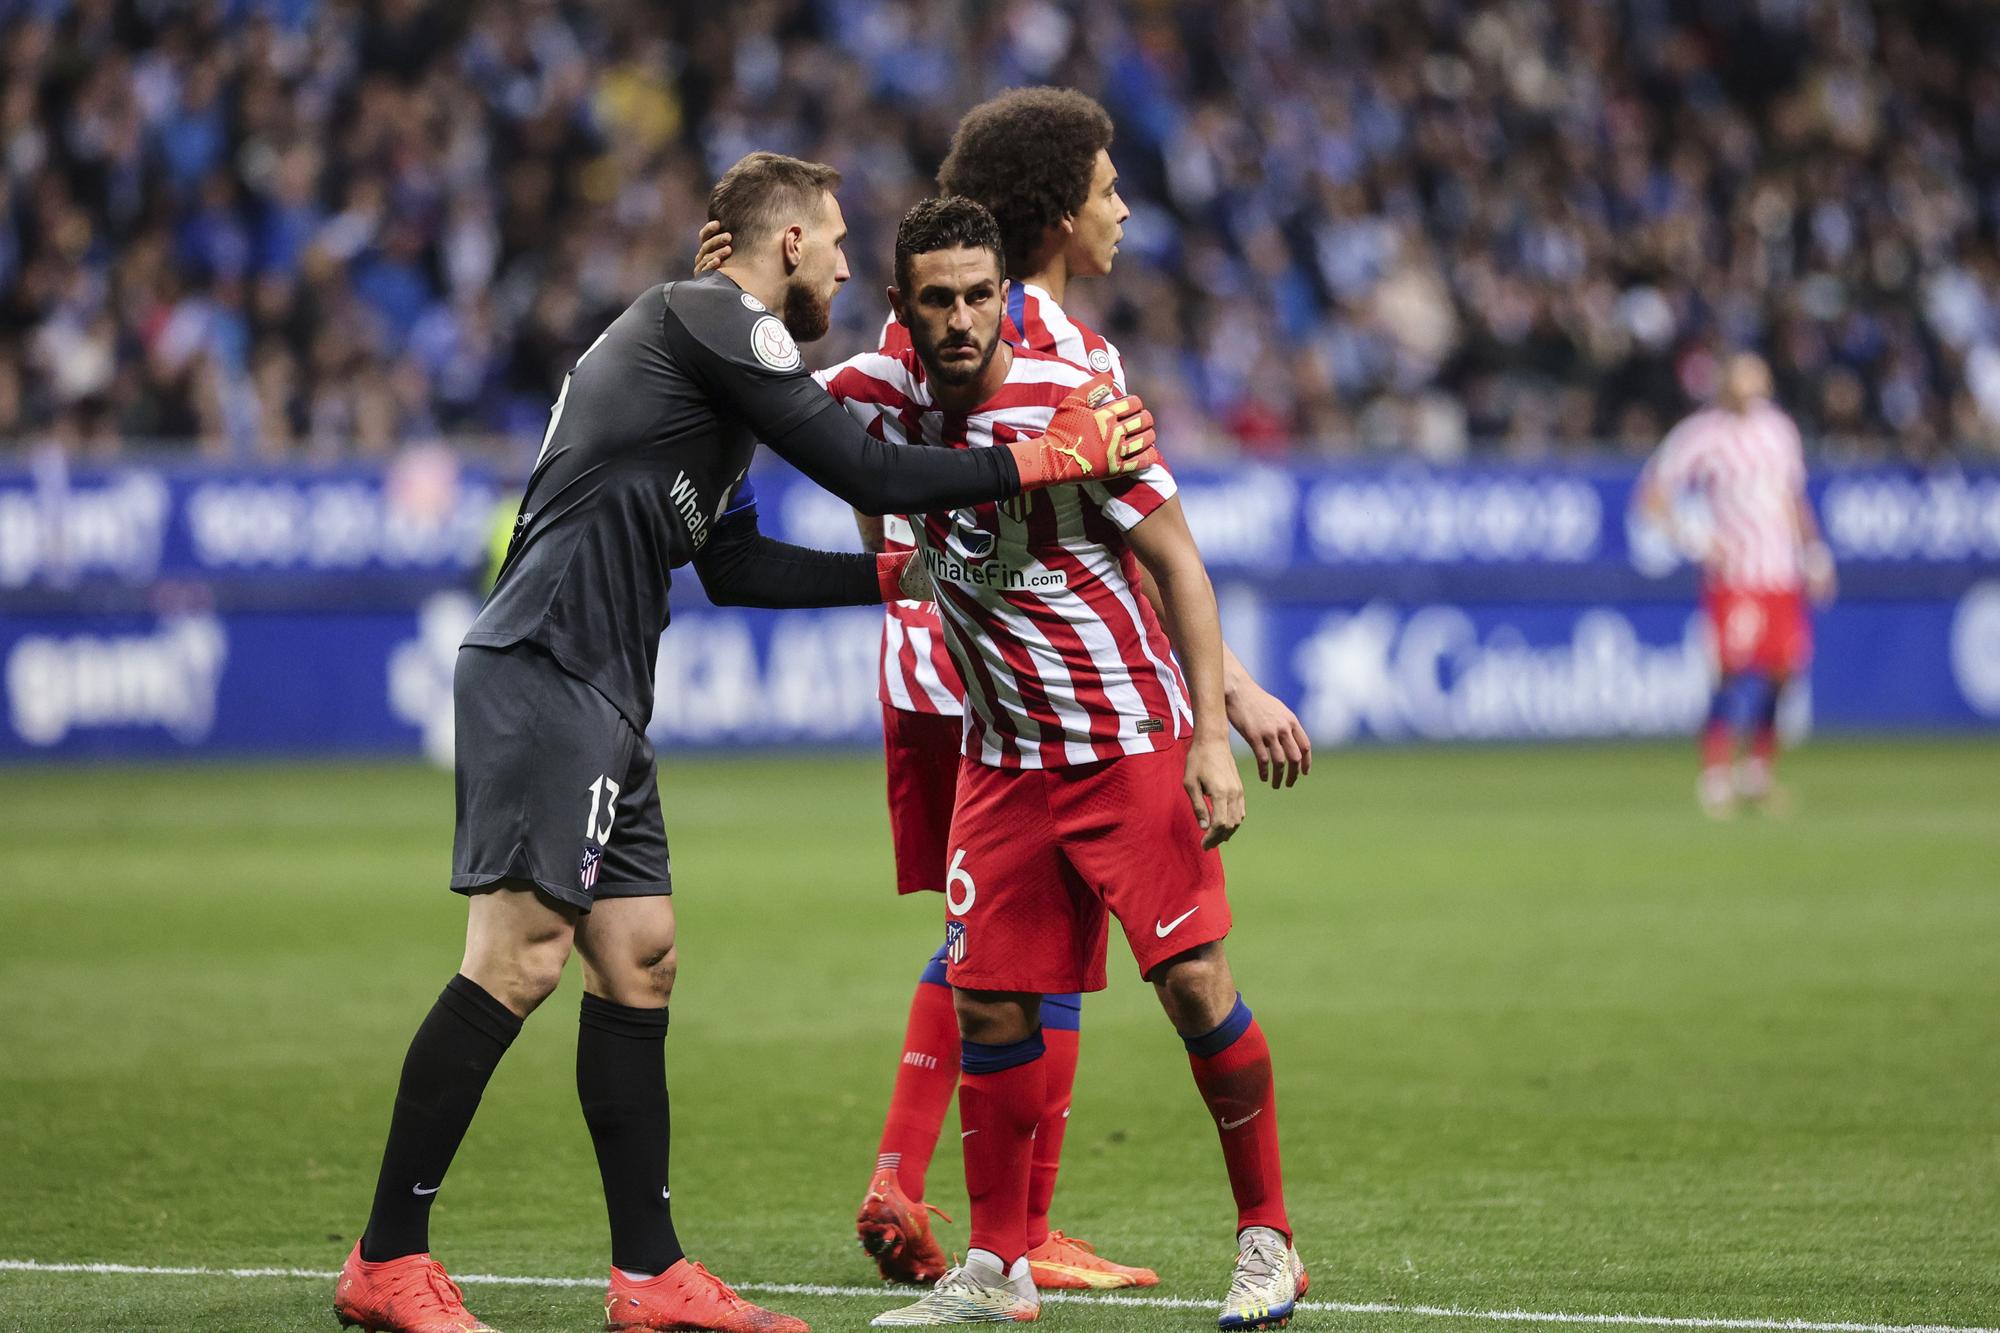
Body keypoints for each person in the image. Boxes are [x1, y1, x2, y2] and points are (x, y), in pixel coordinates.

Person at [333, 153, 1159, 1333]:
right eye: (833, 241)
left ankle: (651, 1275)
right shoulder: (707, 315)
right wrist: (1039, 459)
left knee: (640, 955)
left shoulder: (704, 391)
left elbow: (737, 566)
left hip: (609, 687)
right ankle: (386, 1256)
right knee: (516, 959)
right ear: (786, 245)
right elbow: (858, 463)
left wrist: (905, 574)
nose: (842, 263)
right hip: (547, 664)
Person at [696, 88, 1310, 1299]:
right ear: (905, 307)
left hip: (1121, 732)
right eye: (940, 300)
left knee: (1191, 983)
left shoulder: (1077, 381)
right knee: (987, 997)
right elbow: (765, 374)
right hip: (997, 740)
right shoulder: (882, 384)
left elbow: (1171, 559)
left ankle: (1269, 1241)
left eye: (980, 295)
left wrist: (1209, 727)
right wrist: (713, 282)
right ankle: (995, 1261)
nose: (965, 317)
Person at [1639, 352, 1836, 817]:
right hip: (1736, 575)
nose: (1750, 386)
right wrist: (1694, 537)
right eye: (1741, 378)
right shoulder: (1702, 435)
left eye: (1757, 377)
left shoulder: (1779, 431)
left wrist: (1814, 552)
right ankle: (1715, 776)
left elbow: (1792, 497)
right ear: (1725, 383)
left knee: (1786, 670)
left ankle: (1758, 774)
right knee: (1729, 670)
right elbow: (1652, 494)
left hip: (1781, 572)